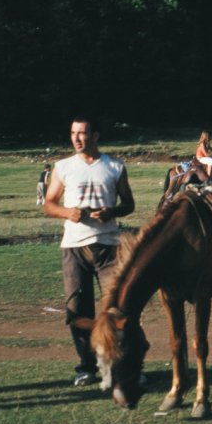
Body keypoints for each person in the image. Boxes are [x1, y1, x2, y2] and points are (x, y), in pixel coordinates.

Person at [43, 116, 135, 386]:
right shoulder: (63, 167)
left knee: (117, 308)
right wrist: (66, 212)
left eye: (82, 133)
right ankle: (87, 366)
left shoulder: (115, 166)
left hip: (109, 247)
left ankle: (122, 363)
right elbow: (49, 204)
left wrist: (112, 211)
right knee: (77, 309)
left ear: (95, 135)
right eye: (73, 133)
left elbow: (129, 204)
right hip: (74, 247)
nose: (76, 138)